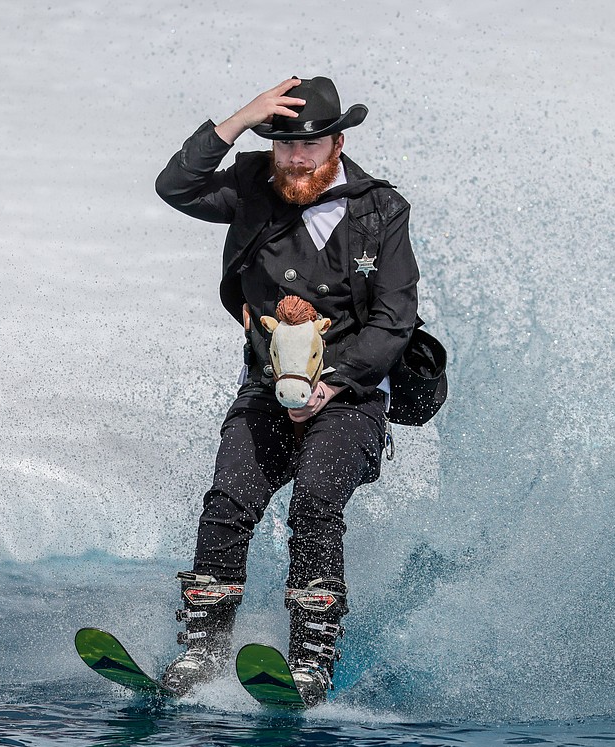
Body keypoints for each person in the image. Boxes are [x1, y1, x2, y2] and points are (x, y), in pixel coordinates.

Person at [154, 76, 420, 704]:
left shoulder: (381, 210)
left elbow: (395, 319)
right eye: (284, 144)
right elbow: (176, 187)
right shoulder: (252, 184)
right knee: (227, 503)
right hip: (266, 387)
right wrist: (240, 119)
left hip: (349, 394)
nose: (297, 158)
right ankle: (204, 651)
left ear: (338, 141)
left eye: (311, 145)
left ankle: (310, 662)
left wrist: (333, 383)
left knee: (315, 505)